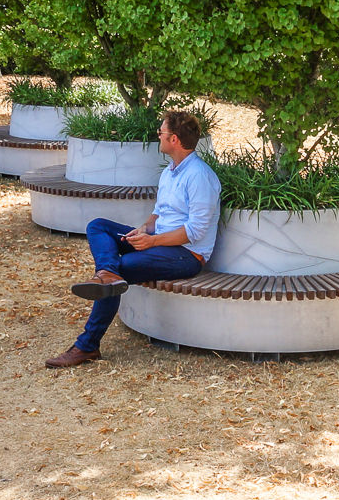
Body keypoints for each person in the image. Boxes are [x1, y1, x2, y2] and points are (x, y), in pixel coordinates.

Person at [46, 110, 221, 368]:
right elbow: (158, 214)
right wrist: (144, 230)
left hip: (186, 255)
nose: (157, 136)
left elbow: (195, 232)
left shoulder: (200, 176)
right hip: (159, 242)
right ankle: (107, 272)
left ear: (174, 139)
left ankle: (87, 345)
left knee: (123, 268)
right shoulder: (170, 172)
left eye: (161, 132)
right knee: (98, 227)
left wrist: (153, 242)